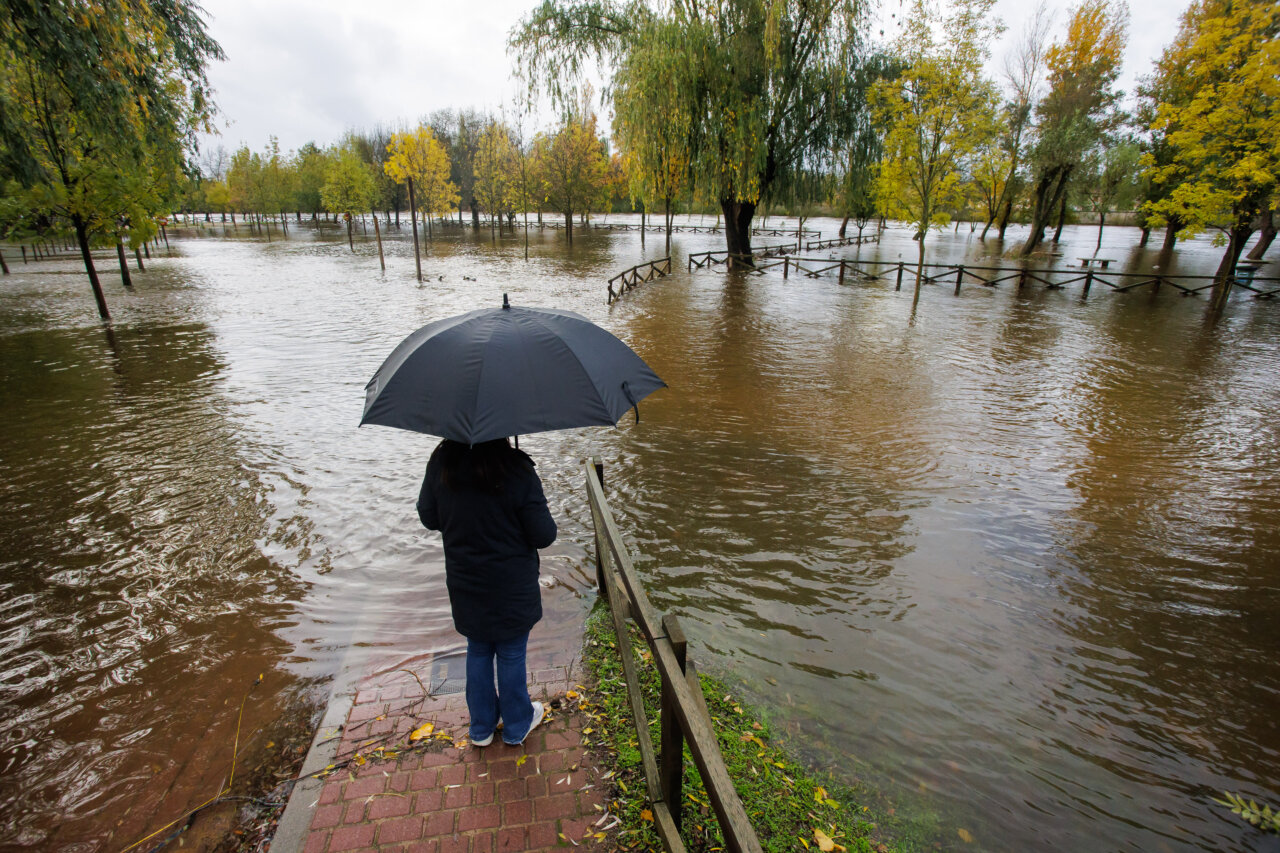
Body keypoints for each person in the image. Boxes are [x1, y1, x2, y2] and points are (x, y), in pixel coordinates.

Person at [417, 438, 557, 746]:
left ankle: (481, 727)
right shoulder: (515, 468)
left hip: (466, 580)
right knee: (510, 650)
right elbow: (543, 534)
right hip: (511, 583)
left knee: (478, 648)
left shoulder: (443, 463)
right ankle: (517, 723)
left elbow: (428, 516)